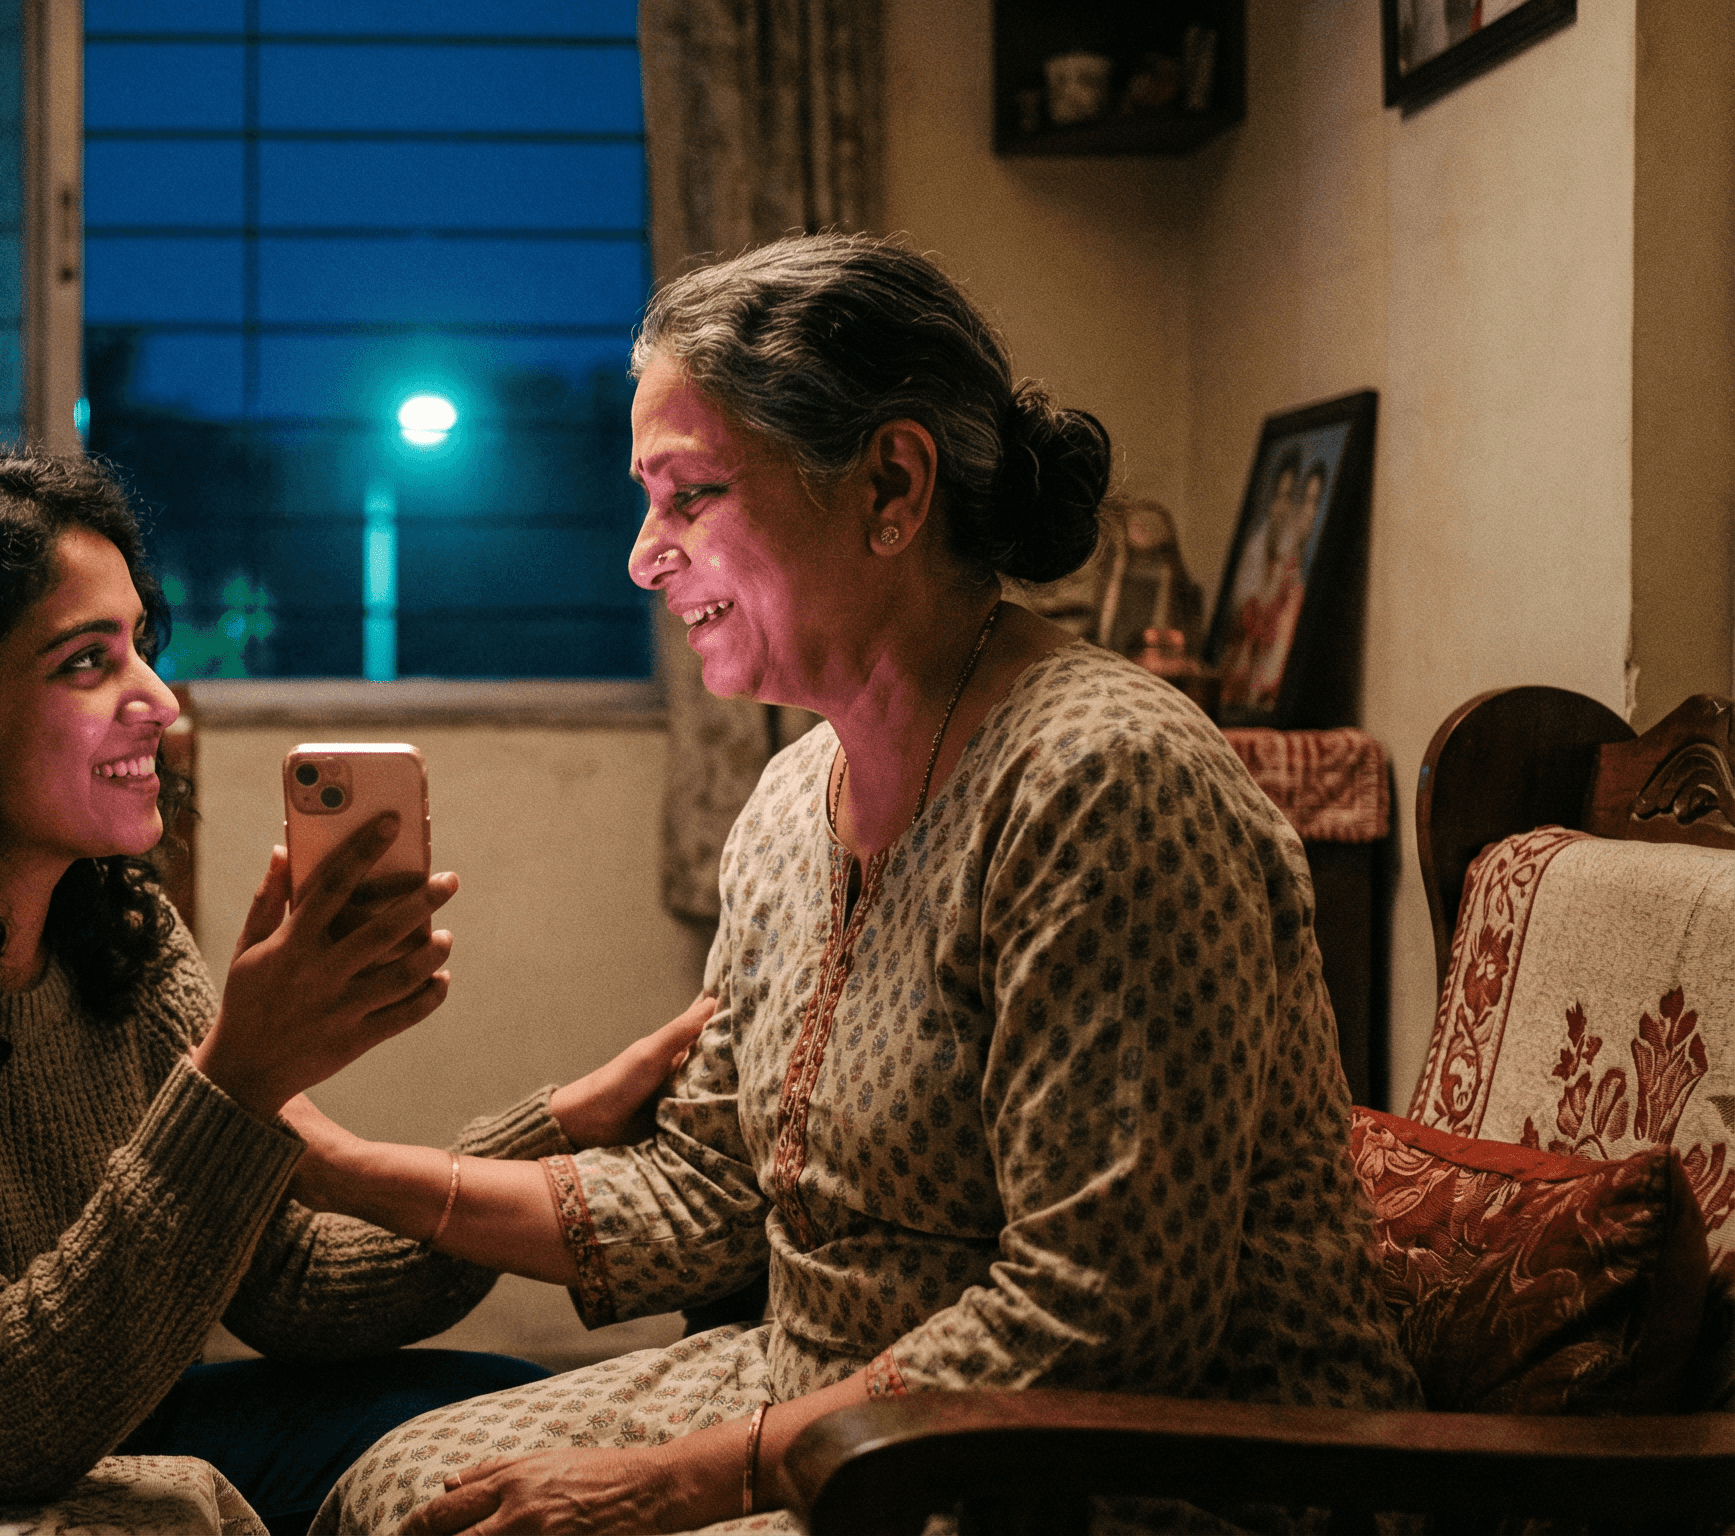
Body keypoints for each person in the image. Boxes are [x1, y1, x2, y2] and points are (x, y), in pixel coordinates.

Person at [288, 235, 1418, 1536]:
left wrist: (677, 1480)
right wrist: (344, 1166)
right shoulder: (787, 806)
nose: (643, 559)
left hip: (1118, 1469)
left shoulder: (1104, 781)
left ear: (892, 483)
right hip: (820, 1391)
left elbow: (1103, 1317)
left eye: (690, 494)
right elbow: (708, 1192)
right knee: (396, 1494)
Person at [0, 445, 702, 1531]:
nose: (158, 703)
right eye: (85, 663)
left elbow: (291, 1286)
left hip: (94, 1430)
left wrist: (556, 1131)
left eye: (139, 645)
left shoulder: (116, 930)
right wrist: (239, 1076)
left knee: (531, 1426)